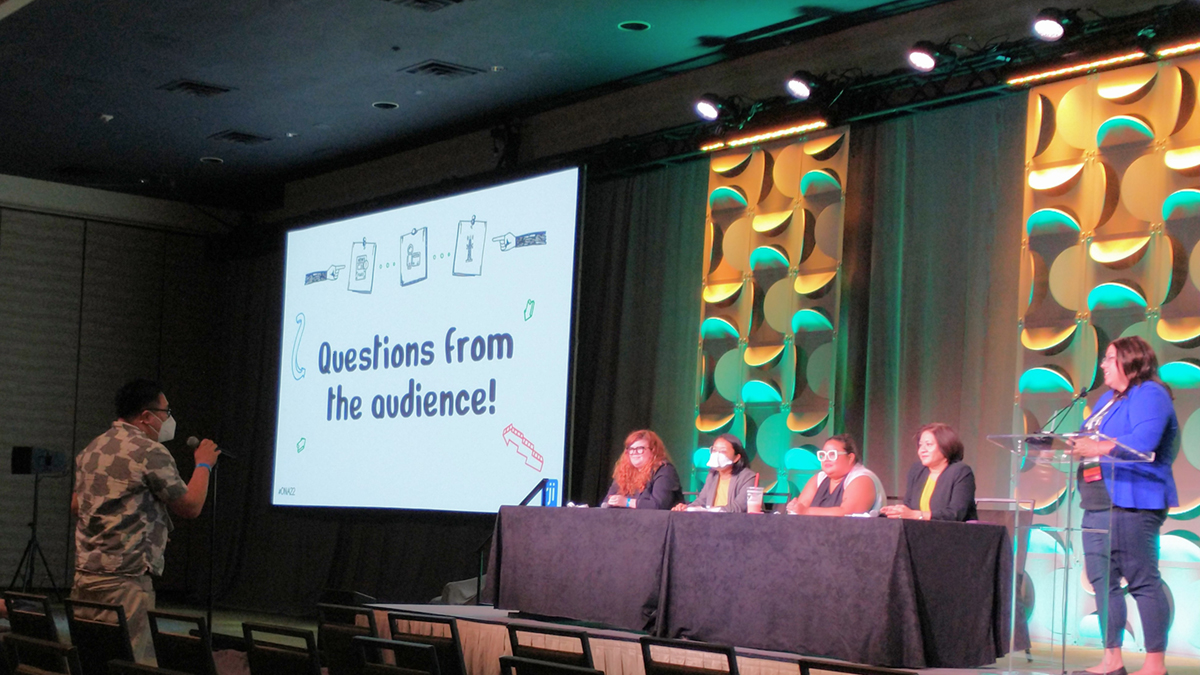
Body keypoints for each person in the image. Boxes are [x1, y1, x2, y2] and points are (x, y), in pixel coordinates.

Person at [71, 379, 220, 664]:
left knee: (93, 661)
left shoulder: (93, 448)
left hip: (86, 577)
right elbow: (189, 506)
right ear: (146, 416)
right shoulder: (150, 451)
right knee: (129, 663)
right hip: (125, 582)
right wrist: (203, 465)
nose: (169, 418)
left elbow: (77, 506)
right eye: (166, 411)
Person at [1071, 337, 1178, 675]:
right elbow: (1084, 438)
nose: (1102, 364)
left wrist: (1097, 447)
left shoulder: (1150, 394)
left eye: (1109, 358)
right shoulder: (1106, 400)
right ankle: (1112, 660)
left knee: (1143, 581)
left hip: (1133, 501)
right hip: (1097, 502)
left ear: (1130, 361)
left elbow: (1144, 443)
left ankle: (1154, 664)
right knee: (1103, 582)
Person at [881, 422, 977, 521]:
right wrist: (897, 512)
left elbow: (955, 514)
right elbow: (909, 506)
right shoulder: (917, 470)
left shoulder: (961, 472)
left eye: (928, 444)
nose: (922, 450)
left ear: (945, 446)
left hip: (954, 533)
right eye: (920, 445)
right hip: (920, 531)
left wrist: (916, 515)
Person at [785, 434, 884, 516]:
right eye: (823, 455)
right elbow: (800, 508)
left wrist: (807, 511)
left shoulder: (862, 479)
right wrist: (794, 508)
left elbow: (847, 513)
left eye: (832, 454)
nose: (826, 459)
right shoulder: (819, 478)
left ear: (850, 458)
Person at [672, 434, 756, 512]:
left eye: (723, 451)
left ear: (736, 458)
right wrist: (686, 508)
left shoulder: (748, 477)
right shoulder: (712, 475)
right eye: (714, 450)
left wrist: (711, 510)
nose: (717, 454)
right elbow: (702, 501)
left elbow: (739, 506)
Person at [601, 429, 682, 509]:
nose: (635, 453)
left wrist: (627, 502)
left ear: (653, 450)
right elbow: (607, 502)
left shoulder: (664, 470)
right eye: (631, 449)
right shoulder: (624, 472)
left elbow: (658, 505)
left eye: (640, 449)